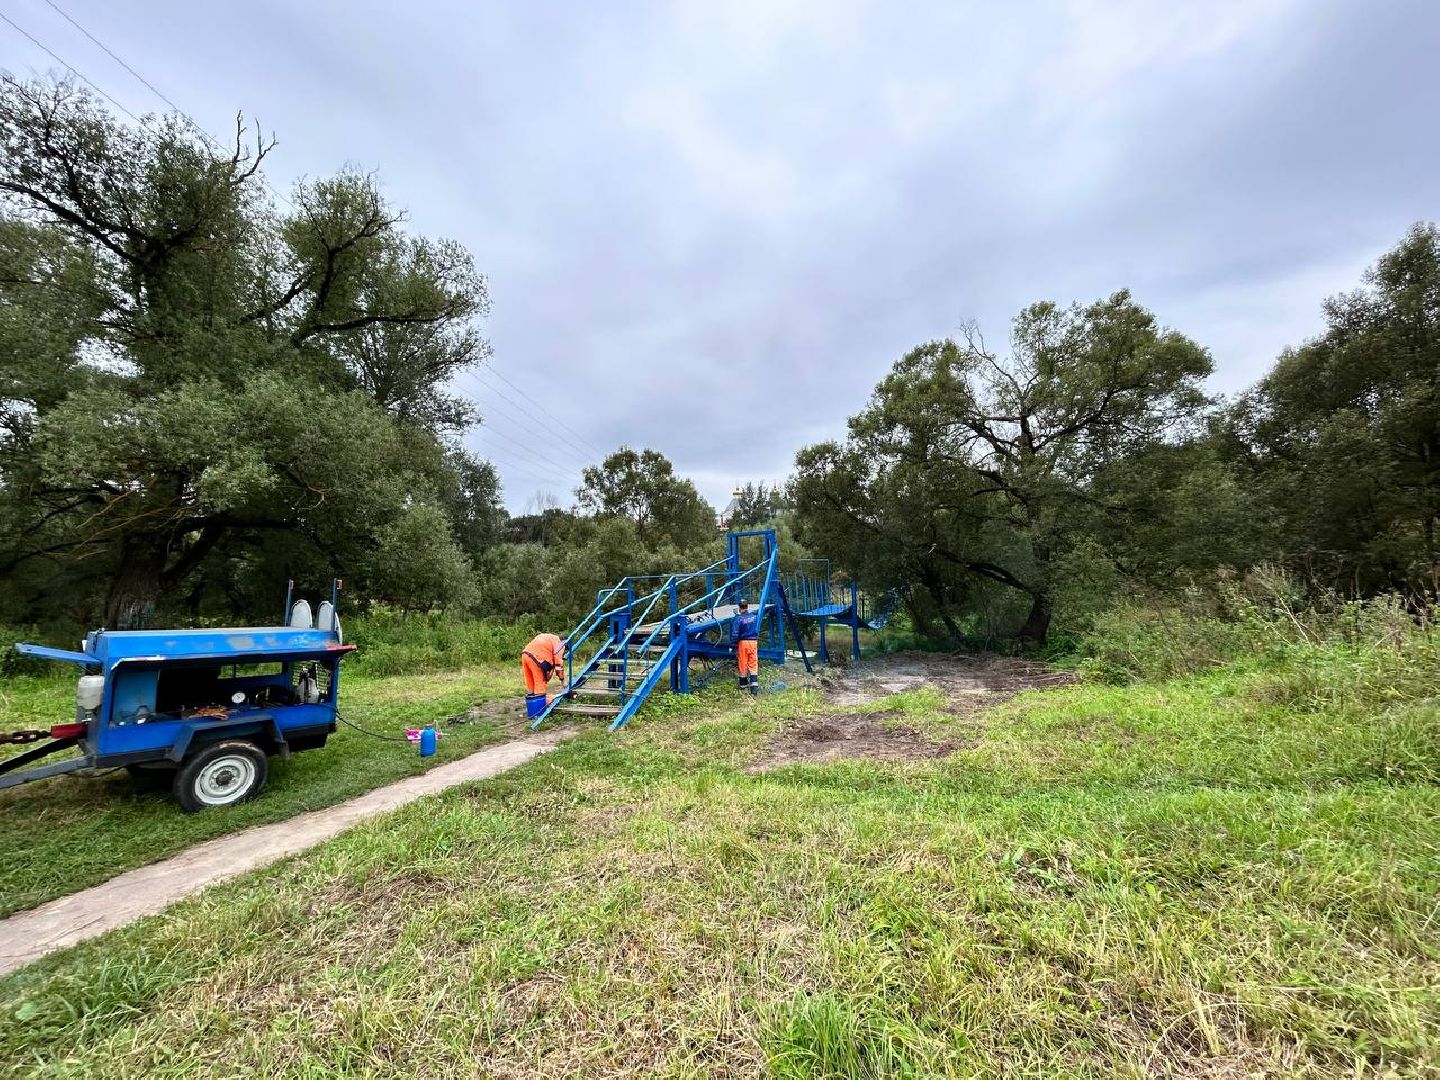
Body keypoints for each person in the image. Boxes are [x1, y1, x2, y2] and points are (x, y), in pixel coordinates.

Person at [521, 632, 567, 703]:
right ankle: (540, 709)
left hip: (525, 654)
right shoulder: (560, 645)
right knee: (540, 684)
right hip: (537, 659)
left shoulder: (549, 637)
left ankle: (531, 702)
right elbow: (558, 666)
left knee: (530, 681)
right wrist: (562, 680)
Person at [729, 599, 760, 695]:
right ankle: (754, 689)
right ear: (747, 606)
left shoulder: (738, 619)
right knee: (753, 663)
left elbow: (735, 634)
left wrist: (733, 644)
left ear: (739, 607)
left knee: (743, 663)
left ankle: (743, 687)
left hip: (743, 643)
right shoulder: (754, 617)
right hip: (754, 642)